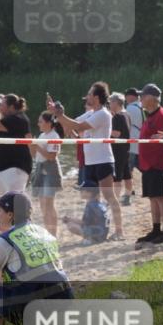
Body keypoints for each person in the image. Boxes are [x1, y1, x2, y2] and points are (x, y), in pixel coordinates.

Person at [0, 192, 73, 325]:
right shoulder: (43, 232)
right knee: (6, 272)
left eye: (0, 211)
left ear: (10, 215)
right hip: (65, 305)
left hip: (35, 315)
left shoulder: (6, 240)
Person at [49, 83, 125, 240]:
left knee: (109, 196)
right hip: (90, 162)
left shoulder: (103, 114)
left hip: (103, 160)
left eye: (89, 94)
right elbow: (70, 126)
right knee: (92, 198)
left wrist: (60, 115)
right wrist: (56, 114)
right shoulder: (91, 112)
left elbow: (77, 126)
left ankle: (119, 231)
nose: (87, 97)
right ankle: (95, 230)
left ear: (96, 97)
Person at [134, 84, 163, 247]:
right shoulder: (149, 115)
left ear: (151, 98)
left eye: (143, 96)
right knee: (152, 197)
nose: (141, 99)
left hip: (157, 163)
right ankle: (156, 228)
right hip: (148, 164)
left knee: (160, 197)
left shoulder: (162, 116)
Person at [0, 95, 32, 195]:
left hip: (14, 167)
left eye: (2, 104)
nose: (0, 107)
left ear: (11, 107)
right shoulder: (10, 119)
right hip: (5, 167)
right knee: (7, 201)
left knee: (14, 200)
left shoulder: (17, 118)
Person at [29, 112, 63, 236]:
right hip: (39, 168)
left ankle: (53, 234)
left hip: (50, 170)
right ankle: (48, 233)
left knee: (49, 203)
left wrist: (37, 146)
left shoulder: (54, 136)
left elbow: (51, 157)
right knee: (42, 204)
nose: (38, 124)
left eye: (40, 121)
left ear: (49, 123)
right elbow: (34, 155)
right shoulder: (42, 135)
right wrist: (31, 145)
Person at [108, 93, 133, 208]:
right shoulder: (126, 114)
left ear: (116, 103)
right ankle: (127, 196)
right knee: (127, 174)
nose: (109, 104)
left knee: (117, 176)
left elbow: (116, 134)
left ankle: (115, 200)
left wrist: (107, 132)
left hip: (118, 149)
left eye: (110, 102)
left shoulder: (118, 117)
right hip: (126, 148)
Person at [123, 87, 143, 203]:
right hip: (141, 141)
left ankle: (129, 192)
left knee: (128, 169)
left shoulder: (129, 108)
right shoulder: (142, 107)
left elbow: (126, 126)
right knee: (141, 166)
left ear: (129, 97)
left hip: (131, 142)